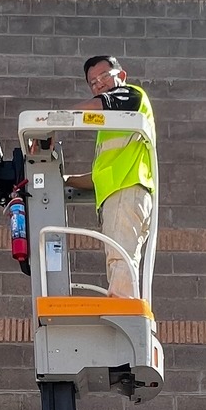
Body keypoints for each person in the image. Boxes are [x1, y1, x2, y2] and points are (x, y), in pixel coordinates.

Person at [64, 55, 155, 301]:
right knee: (120, 258)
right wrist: (65, 179)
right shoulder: (115, 126)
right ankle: (122, 304)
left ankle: (122, 309)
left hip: (127, 191)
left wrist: (50, 124)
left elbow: (96, 105)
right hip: (123, 193)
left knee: (120, 256)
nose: (99, 84)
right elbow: (98, 178)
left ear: (121, 75)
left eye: (104, 76)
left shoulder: (131, 96)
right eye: (93, 83)